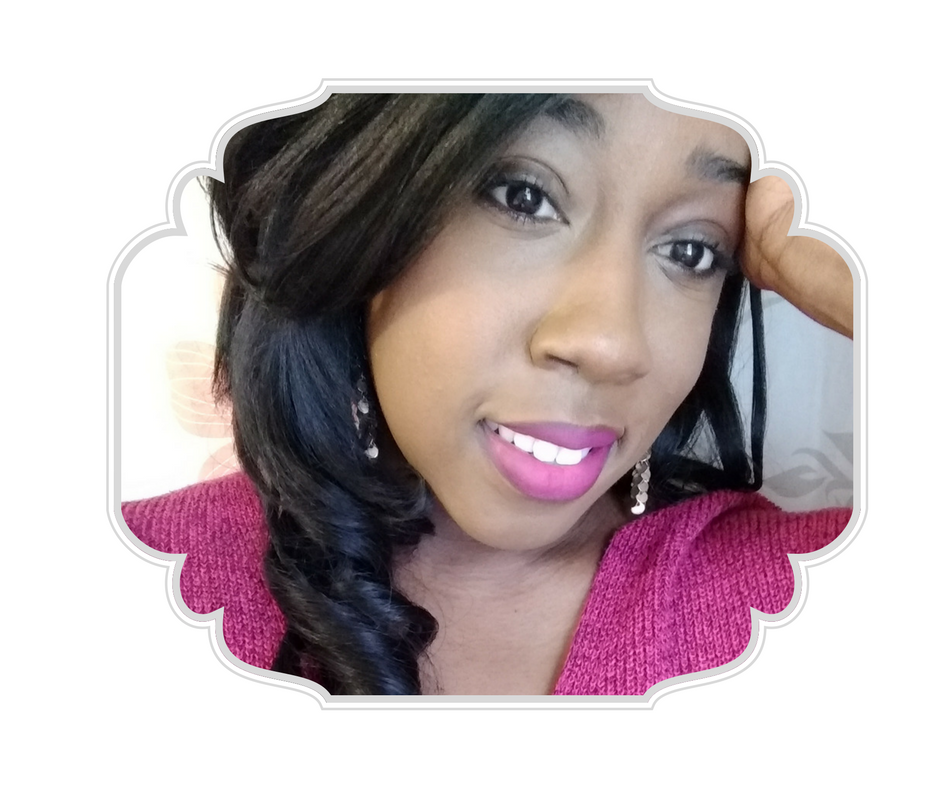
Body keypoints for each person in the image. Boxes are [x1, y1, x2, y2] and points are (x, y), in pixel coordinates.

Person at [122, 93, 854, 696]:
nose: (612, 344)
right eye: (524, 197)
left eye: (691, 250)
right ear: (360, 207)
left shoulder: (803, 596)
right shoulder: (136, 583)